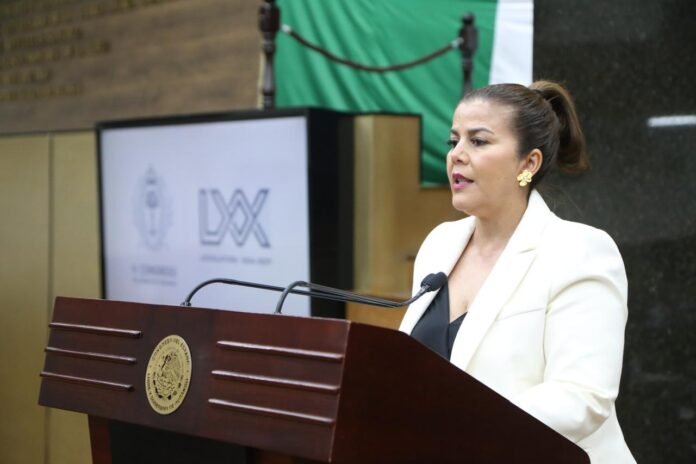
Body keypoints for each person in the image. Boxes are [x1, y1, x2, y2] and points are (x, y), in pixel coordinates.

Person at [399, 81, 635, 463]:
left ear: (529, 163)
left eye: (478, 141)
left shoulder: (579, 250)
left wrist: (461, 431)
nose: (457, 155)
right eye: (454, 141)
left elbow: (583, 396)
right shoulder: (439, 245)